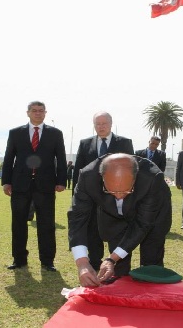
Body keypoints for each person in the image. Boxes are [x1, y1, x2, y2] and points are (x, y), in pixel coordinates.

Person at [68, 153, 172, 287]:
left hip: (152, 216)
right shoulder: (88, 177)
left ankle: (150, 293)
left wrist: (111, 259)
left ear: (135, 178)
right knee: (117, 268)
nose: (119, 197)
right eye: (111, 191)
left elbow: (142, 224)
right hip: (112, 215)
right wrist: (82, 263)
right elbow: (77, 218)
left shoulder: (152, 178)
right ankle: (119, 289)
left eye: (125, 191)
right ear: (102, 178)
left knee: (151, 260)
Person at [2, 101, 67, 272]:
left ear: (45, 113)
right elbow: (9, 158)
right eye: (34, 110)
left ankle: (47, 261)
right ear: (27, 113)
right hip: (20, 185)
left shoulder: (55, 133)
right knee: (18, 223)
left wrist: (61, 181)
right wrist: (6, 181)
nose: (37, 113)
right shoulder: (16, 133)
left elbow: (61, 158)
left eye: (41, 111)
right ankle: (19, 259)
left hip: (45, 185)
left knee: (46, 224)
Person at [72, 111, 134, 271]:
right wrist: (76, 195)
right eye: (97, 124)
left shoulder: (125, 143)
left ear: (110, 124)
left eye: (104, 123)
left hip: (116, 196)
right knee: (92, 230)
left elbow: (131, 169)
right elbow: (79, 170)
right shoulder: (85, 144)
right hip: (91, 196)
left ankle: (119, 266)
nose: (101, 127)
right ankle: (94, 263)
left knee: (117, 229)